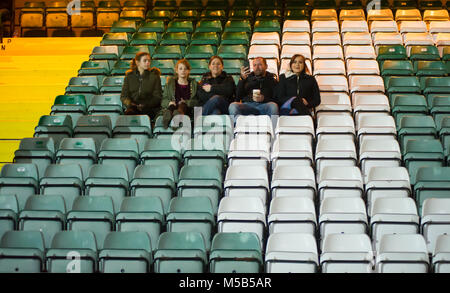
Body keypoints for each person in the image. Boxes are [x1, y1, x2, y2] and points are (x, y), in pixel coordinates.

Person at [120, 51, 163, 119]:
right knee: (128, 115)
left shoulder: (154, 76)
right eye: (145, 61)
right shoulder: (129, 76)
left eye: (149, 61)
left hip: (150, 108)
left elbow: (157, 97)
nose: (147, 63)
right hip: (133, 107)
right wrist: (131, 104)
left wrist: (145, 105)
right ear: (137, 62)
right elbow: (124, 96)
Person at [160, 59, 200, 128]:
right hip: (173, 108)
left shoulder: (194, 84)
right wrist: (169, 103)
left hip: (188, 110)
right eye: (180, 68)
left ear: (188, 71)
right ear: (177, 70)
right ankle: (167, 117)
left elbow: (197, 101)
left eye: (185, 69)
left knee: (182, 105)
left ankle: (177, 118)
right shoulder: (169, 84)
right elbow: (163, 101)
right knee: (172, 106)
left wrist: (186, 102)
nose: (183, 71)